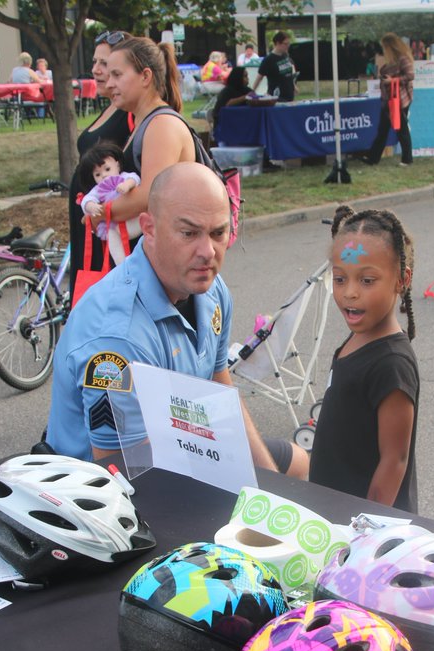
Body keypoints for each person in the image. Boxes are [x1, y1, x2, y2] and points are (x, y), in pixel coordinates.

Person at [46, 162, 308, 479]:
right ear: (149, 227)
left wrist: (272, 492)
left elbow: (219, 391)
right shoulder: (118, 338)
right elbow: (121, 471)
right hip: (108, 486)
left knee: (299, 466)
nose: (208, 252)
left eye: (218, 233)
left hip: (186, 445)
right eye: (188, 233)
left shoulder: (212, 290)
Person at [308, 205, 419, 512]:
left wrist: (363, 529)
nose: (350, 293)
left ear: (401, 279)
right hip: (334, 508)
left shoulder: (392, 364)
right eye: (340, 279)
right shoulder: (360, 335)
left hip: (365, 527)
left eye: (367, 281)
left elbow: (394, 460)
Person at [97, 35, 195, 241]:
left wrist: (98, 213)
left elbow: (150, 195)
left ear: (145, 76)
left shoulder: (162, 125)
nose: (109, 83)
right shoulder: (146, 122)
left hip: (166, 258)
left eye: (117, 74)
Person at [69, 30, 133, 294]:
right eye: (94, 62)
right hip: (89, 220)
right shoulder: (110, 107)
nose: (95, 69)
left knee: (99, 299)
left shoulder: (128, 112)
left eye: (104, 64)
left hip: (104, 226)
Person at [76, 142, 139, 266]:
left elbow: (135, 178)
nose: (104, 175)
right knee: (112, 237)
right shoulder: (98, 190)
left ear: (117, 165)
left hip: (134, 218)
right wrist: (91, 206)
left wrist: (127, 185)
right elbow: (86, 200)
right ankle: (123, 266)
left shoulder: (123, 177)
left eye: (107, 169)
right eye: (97, 174)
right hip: (116, 226)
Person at [361, 33, 414, 167]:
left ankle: (407, 159)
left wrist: (393, 80)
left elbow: (410, 75)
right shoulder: (391, 61)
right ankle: (373, 157)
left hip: (399, 100)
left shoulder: (403, 59)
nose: (383, 50)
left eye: (384, 47)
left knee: (401, 129)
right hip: (388, 100)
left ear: (390, 47)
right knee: (383, 129)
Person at [211, 63, 252, 144]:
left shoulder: (246, 90)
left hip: (243, 123)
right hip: (226, 125)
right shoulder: (227, 92)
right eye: (245, 76)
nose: (247, 79)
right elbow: (227, 104)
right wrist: (244, 97)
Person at [253, 31, 296, 102]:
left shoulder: (285, 55)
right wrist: (252, 92)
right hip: (276, 96)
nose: (288, 46)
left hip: (289, 95)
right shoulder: (269, 59)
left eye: (289, 43)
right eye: (285, 44)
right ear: (278, 43)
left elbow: (289, 74)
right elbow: (259, 77)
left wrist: (294, 86)